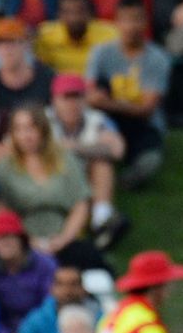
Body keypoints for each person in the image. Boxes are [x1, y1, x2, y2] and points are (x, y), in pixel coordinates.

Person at [85, 0, 172, 188]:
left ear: (145, 22)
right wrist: (101, 103)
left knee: (149, 163)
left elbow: (146, 110)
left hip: (143, 125)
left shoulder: (158, 59)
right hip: (106, 120)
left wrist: (106, 103)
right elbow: (90, 96)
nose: (131, 26)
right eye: (126, 20)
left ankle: (123, 179)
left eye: (137, 19)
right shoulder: (101, 53)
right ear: (116, 22)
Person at [0, 106, 91, 257]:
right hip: (21, 242)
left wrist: (64, 239)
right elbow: (2, 210)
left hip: (64, 237)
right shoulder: (4, 167)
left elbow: (81, 204)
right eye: (19, 129)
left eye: (31, 128)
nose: (26, 135)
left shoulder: (65, 160)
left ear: (43, 130)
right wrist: (29, 241)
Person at [47, 73, 127, 247]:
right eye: (66, 98)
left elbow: (117, 150)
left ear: (84, 100)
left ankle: (101, 219)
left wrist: (75, 148)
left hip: (86, 176)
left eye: (76, 97)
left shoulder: (97, 119)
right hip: (52, 175)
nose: (72, 104)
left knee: (102, 163)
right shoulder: (43, 120)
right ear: (54, 100)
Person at [0, 208, 55, 333]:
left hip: (41, 330)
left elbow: (49, 304)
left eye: (9, 236)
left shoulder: (45, 265)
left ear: (21, 239)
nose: (4, 243)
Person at [33, 0, 117, 78]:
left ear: (90, 13)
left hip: (97, 87)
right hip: (58, 88)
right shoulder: (45, 35)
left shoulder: (110, 34)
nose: (74, 18)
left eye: (80, 11)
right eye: (68, 12)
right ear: (59, 15)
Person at [0, 18, 54, 114]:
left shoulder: (46, 78)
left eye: (12, 41)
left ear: (26, 44)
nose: (7, 48)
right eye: (0, 42)